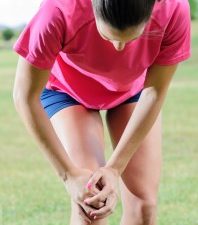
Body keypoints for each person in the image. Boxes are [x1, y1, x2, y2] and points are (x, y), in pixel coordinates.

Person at [13, 0, 191, 224]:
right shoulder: (57, 11)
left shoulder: (174, 9)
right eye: (108, 37)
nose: (119, 49)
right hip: (67, 91)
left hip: (134, 90)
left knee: (144, 204)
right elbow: (24, 96)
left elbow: (154, 92)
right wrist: (69, 175)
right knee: (92, 202)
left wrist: (115, 169)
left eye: (132, 38)